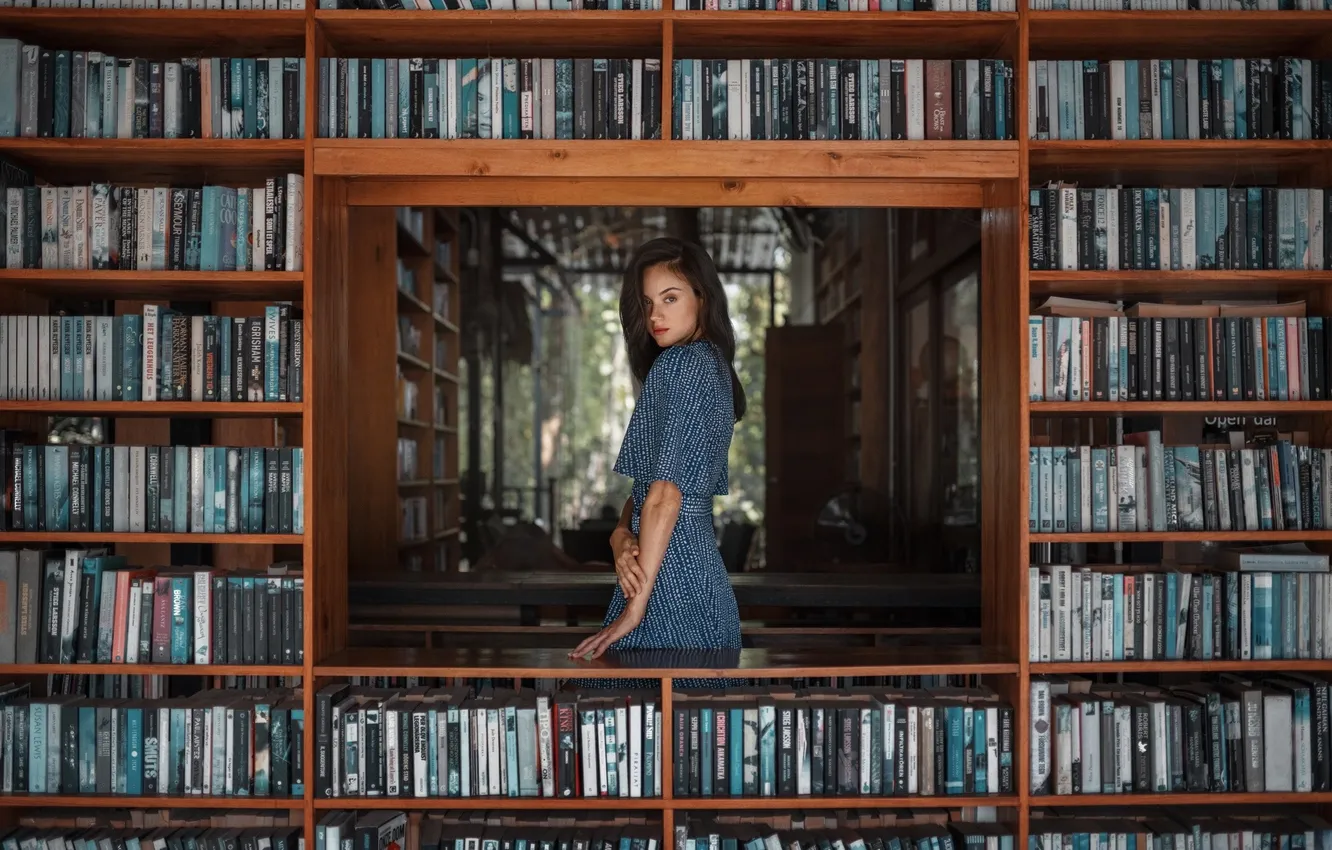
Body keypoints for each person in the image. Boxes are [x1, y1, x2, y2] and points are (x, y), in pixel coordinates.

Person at [568, 237, 746, 674]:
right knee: (682, 733)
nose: (655, 316)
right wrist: (618, 533)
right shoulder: (711, 365)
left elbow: (667, 495)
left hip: (671, 583)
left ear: (703, 298)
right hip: (684, 577)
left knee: (636, 727)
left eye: (670, 298)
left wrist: (635, 610)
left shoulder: (684, 365)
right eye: (647, 303)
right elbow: (650, 486)